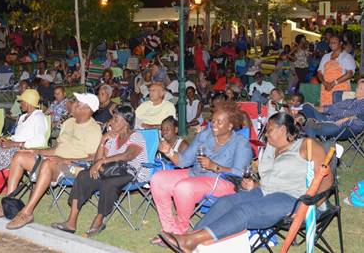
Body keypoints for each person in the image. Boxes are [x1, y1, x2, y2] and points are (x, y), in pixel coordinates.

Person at [163, 113, 332, 252]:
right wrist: (255, 185)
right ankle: (189, 237)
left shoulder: (306, 145)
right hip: (266, 192)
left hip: (295, 199)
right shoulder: (270, 148)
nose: (266, 134)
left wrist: (309, 205)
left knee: (244, 211)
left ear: (282, 130)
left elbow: (326, 179)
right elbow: (271, 180)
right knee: (226, 202)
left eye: (269, 130)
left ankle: (191, 241)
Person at [0, 93, 102, 230]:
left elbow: (93, 158)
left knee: (47, 164)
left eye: (77, 103)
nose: (73, 104)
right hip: (55, 160)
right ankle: (7, 205)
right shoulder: (68, 123)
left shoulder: (94, 129)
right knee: (20, 156)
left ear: (87, 109)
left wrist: (64, 159)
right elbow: (57, 149)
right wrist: (36, 151)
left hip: (74, 166)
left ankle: (27, 213)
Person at [149, 101, 253, 239]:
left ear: (230, 126)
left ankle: (180, 232)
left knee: (184, 187)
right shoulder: (205, 135)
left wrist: (214, 166)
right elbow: (185, 160)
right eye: (213, 120)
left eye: (219, 122)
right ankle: (168, 230)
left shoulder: (241, 143)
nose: (214, 124)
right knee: (158, 179)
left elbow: (240, 173)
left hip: (222, 181)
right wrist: (169, 152)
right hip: (196, 174)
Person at [51, 105, 147, 236]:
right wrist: (103, 140)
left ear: (126, 123)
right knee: (83, 175)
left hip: (130, 172)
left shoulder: (136, 137)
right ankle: (71, 222)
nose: (111, 121)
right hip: (109, 170)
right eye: (112, 118)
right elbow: (97, 160)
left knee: (109, 183)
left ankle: (99, 220)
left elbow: (127, 156)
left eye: (116, 119)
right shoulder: (112, 137)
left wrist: (102, 162)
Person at [317, 34, 355, 107]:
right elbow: (319, 72)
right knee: (326, 111)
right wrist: (325, 83)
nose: (331, 44)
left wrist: (333, 83)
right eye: (330, 42)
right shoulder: (326, 56)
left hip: (340, 90)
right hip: (326, 88)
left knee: (339, 111)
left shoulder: (347, 57)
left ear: (340, 43)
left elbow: (349, 74)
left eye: (334, 42)